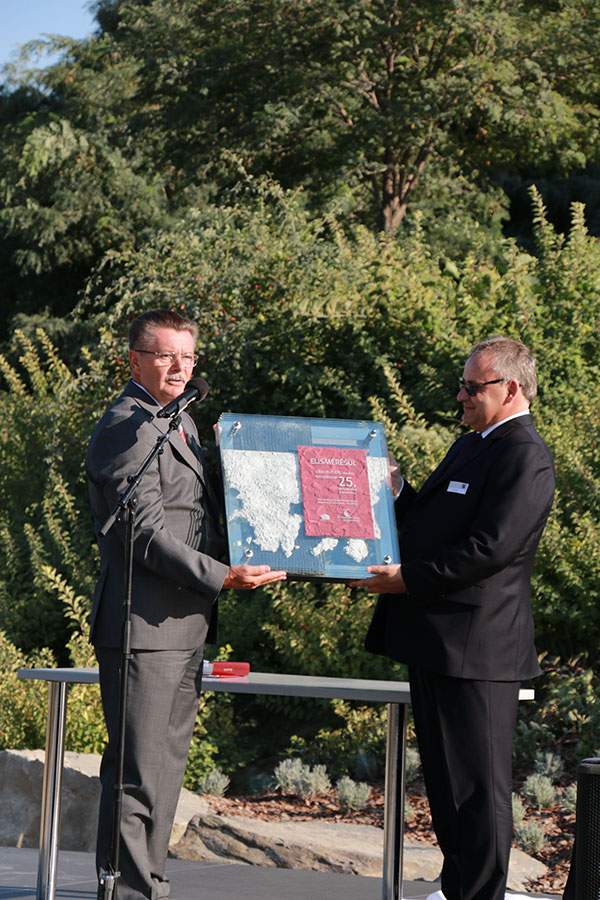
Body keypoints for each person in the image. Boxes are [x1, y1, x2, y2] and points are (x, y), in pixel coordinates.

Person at [86, 308, 286, 900]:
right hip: (142, 625)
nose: (180, 368)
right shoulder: (127, 428)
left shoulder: (180, 421)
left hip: (182, 626)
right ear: (135, 360)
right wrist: (223, 575)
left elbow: (196, 516)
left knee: (165, 772)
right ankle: (126, 890)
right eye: (166, 355)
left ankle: (149, 884)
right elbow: (144, 533)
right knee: (137, 773)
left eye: (189, 356)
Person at [351, 336, 555, 900]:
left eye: (472, 386)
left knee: (478, 791)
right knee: (447, 788)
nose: (460, 396)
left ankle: (482, 893)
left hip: (480, 650)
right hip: (438, 643)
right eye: (461, 385)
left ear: (510, 389)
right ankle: (460, 889)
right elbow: (432, 526)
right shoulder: (472, 444)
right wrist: (396, 491)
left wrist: (407, 579)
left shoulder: (524, 454)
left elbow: (491, 549)